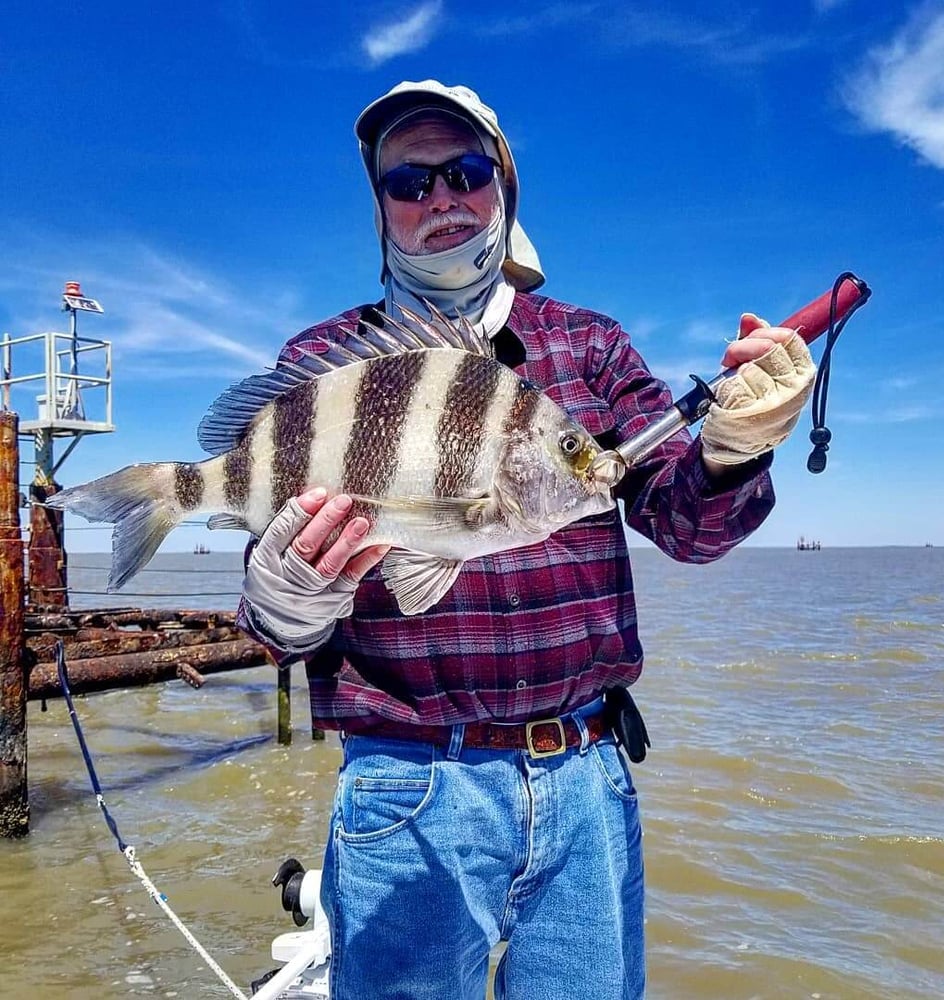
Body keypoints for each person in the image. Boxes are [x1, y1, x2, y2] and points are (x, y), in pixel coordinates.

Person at [238, 80, 815, 999]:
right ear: (379, 205)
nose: (440, 200)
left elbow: (685, 526)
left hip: (587, 779)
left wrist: (733, 450)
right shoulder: (327, 360)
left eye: (464, 172)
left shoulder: (589, 348)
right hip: (408, 786)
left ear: (504, 185)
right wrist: (287, 594)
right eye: (409, 181)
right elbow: (278, 632)